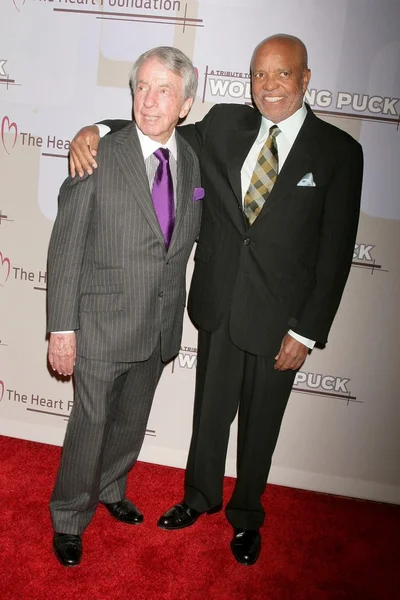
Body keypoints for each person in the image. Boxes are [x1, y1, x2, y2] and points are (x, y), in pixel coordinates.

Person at [69, 34, 363, 566]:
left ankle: (246, 515)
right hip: (219, 304)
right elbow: (158, 130)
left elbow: (337, 251)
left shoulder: (340, 152)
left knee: (260, 424)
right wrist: (97, 129)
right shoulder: (226, 126)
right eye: (259, 75)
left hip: (281, 320)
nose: (268, 86)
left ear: (305, 78)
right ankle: (198, 498)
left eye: (281, 74)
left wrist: (306, 331)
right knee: (209, 416)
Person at [46, 46, 202, 567]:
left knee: (131, 421)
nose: (149, 101)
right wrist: (62, 328)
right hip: (100, 326)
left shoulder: (193, 160)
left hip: (157, 326)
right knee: (89, 425)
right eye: (141, 87)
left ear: (185, 105)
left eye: (164, 91)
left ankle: (113, 488)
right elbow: (65, 248)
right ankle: (69, 517)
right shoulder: (97, 154)